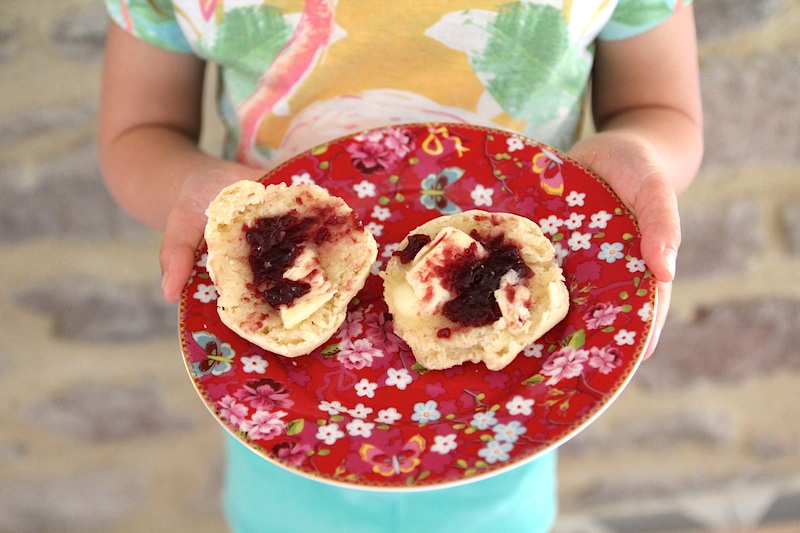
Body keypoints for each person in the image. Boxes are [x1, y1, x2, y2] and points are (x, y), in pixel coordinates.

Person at [98, 1, 703, 532]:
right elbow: (139, 131)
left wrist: (639, 157)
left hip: (511, 403)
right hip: (285, 399)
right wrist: (194, 187)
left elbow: (658, 107)